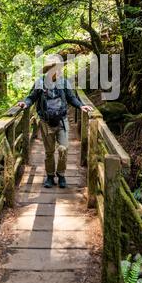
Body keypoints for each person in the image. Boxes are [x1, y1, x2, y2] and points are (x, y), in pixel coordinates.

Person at [17, 59, 92, 188]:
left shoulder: (64, 82)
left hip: (62, 121)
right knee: (49, 152)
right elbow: (32, 97)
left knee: (64, 148)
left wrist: (81, 106)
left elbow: (71, 97)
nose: (58, 71)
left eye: (59, 68)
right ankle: (50, 176)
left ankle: (61, 174)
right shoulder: (40, 82)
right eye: (55, 68)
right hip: (46, 122)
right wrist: (25, 103)